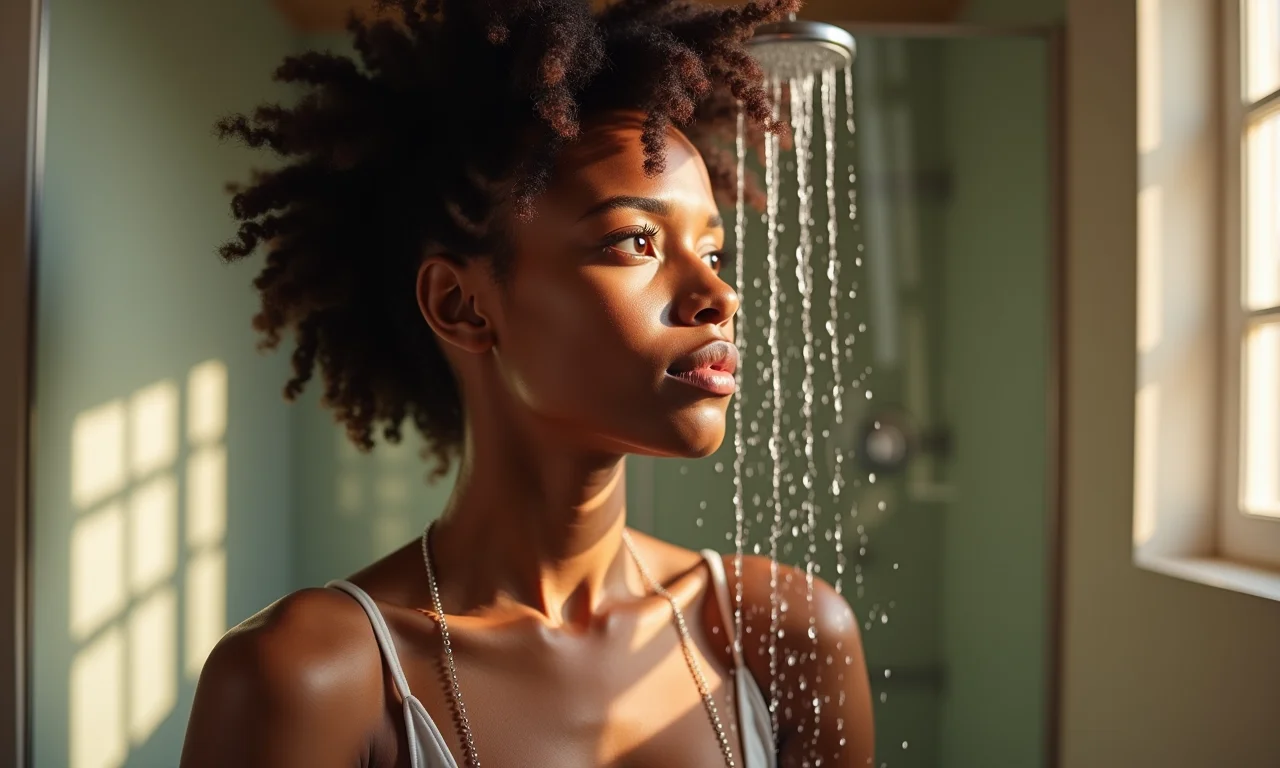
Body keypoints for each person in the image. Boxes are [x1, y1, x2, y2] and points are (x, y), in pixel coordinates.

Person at [179, 1, 873, 766]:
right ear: (462, 305)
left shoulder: (785, 636)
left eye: (713, 250)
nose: (720, 296)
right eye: (635, 241)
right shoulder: (312, 678)